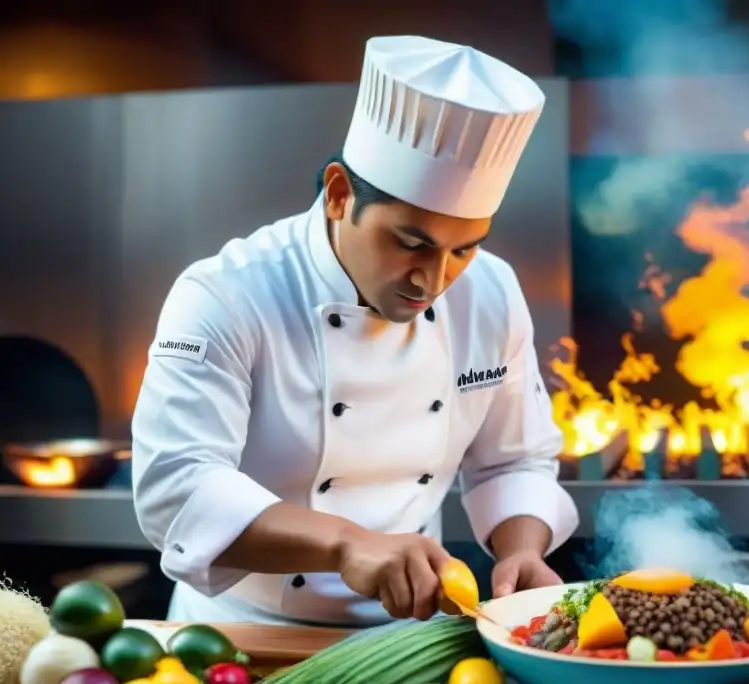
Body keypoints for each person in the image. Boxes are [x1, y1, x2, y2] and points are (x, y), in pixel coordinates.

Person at [131, 35, 580, 626]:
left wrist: (522, 549)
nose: (433, 280)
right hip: (240, 632)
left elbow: (513, 461)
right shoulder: (226, 294)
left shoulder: (489, 291)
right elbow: (177, 490)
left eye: (464, 249)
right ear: (340, 194)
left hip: (410, 635)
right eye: (410, 243)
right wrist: (346, 542)